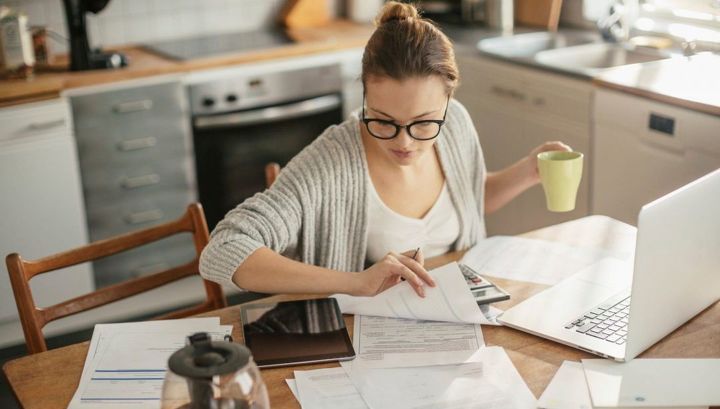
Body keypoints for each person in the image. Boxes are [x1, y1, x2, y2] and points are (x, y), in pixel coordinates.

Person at [199, 1, 570, 299]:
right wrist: (355, 282)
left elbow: (470, 196)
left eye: (424, 123)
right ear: (364, 95)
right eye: (383, 120)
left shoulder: (455, 123)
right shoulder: (332, 162)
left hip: (457, 317)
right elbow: (223, 250)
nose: (404, 142)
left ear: (448, 100)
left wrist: (528, 171)